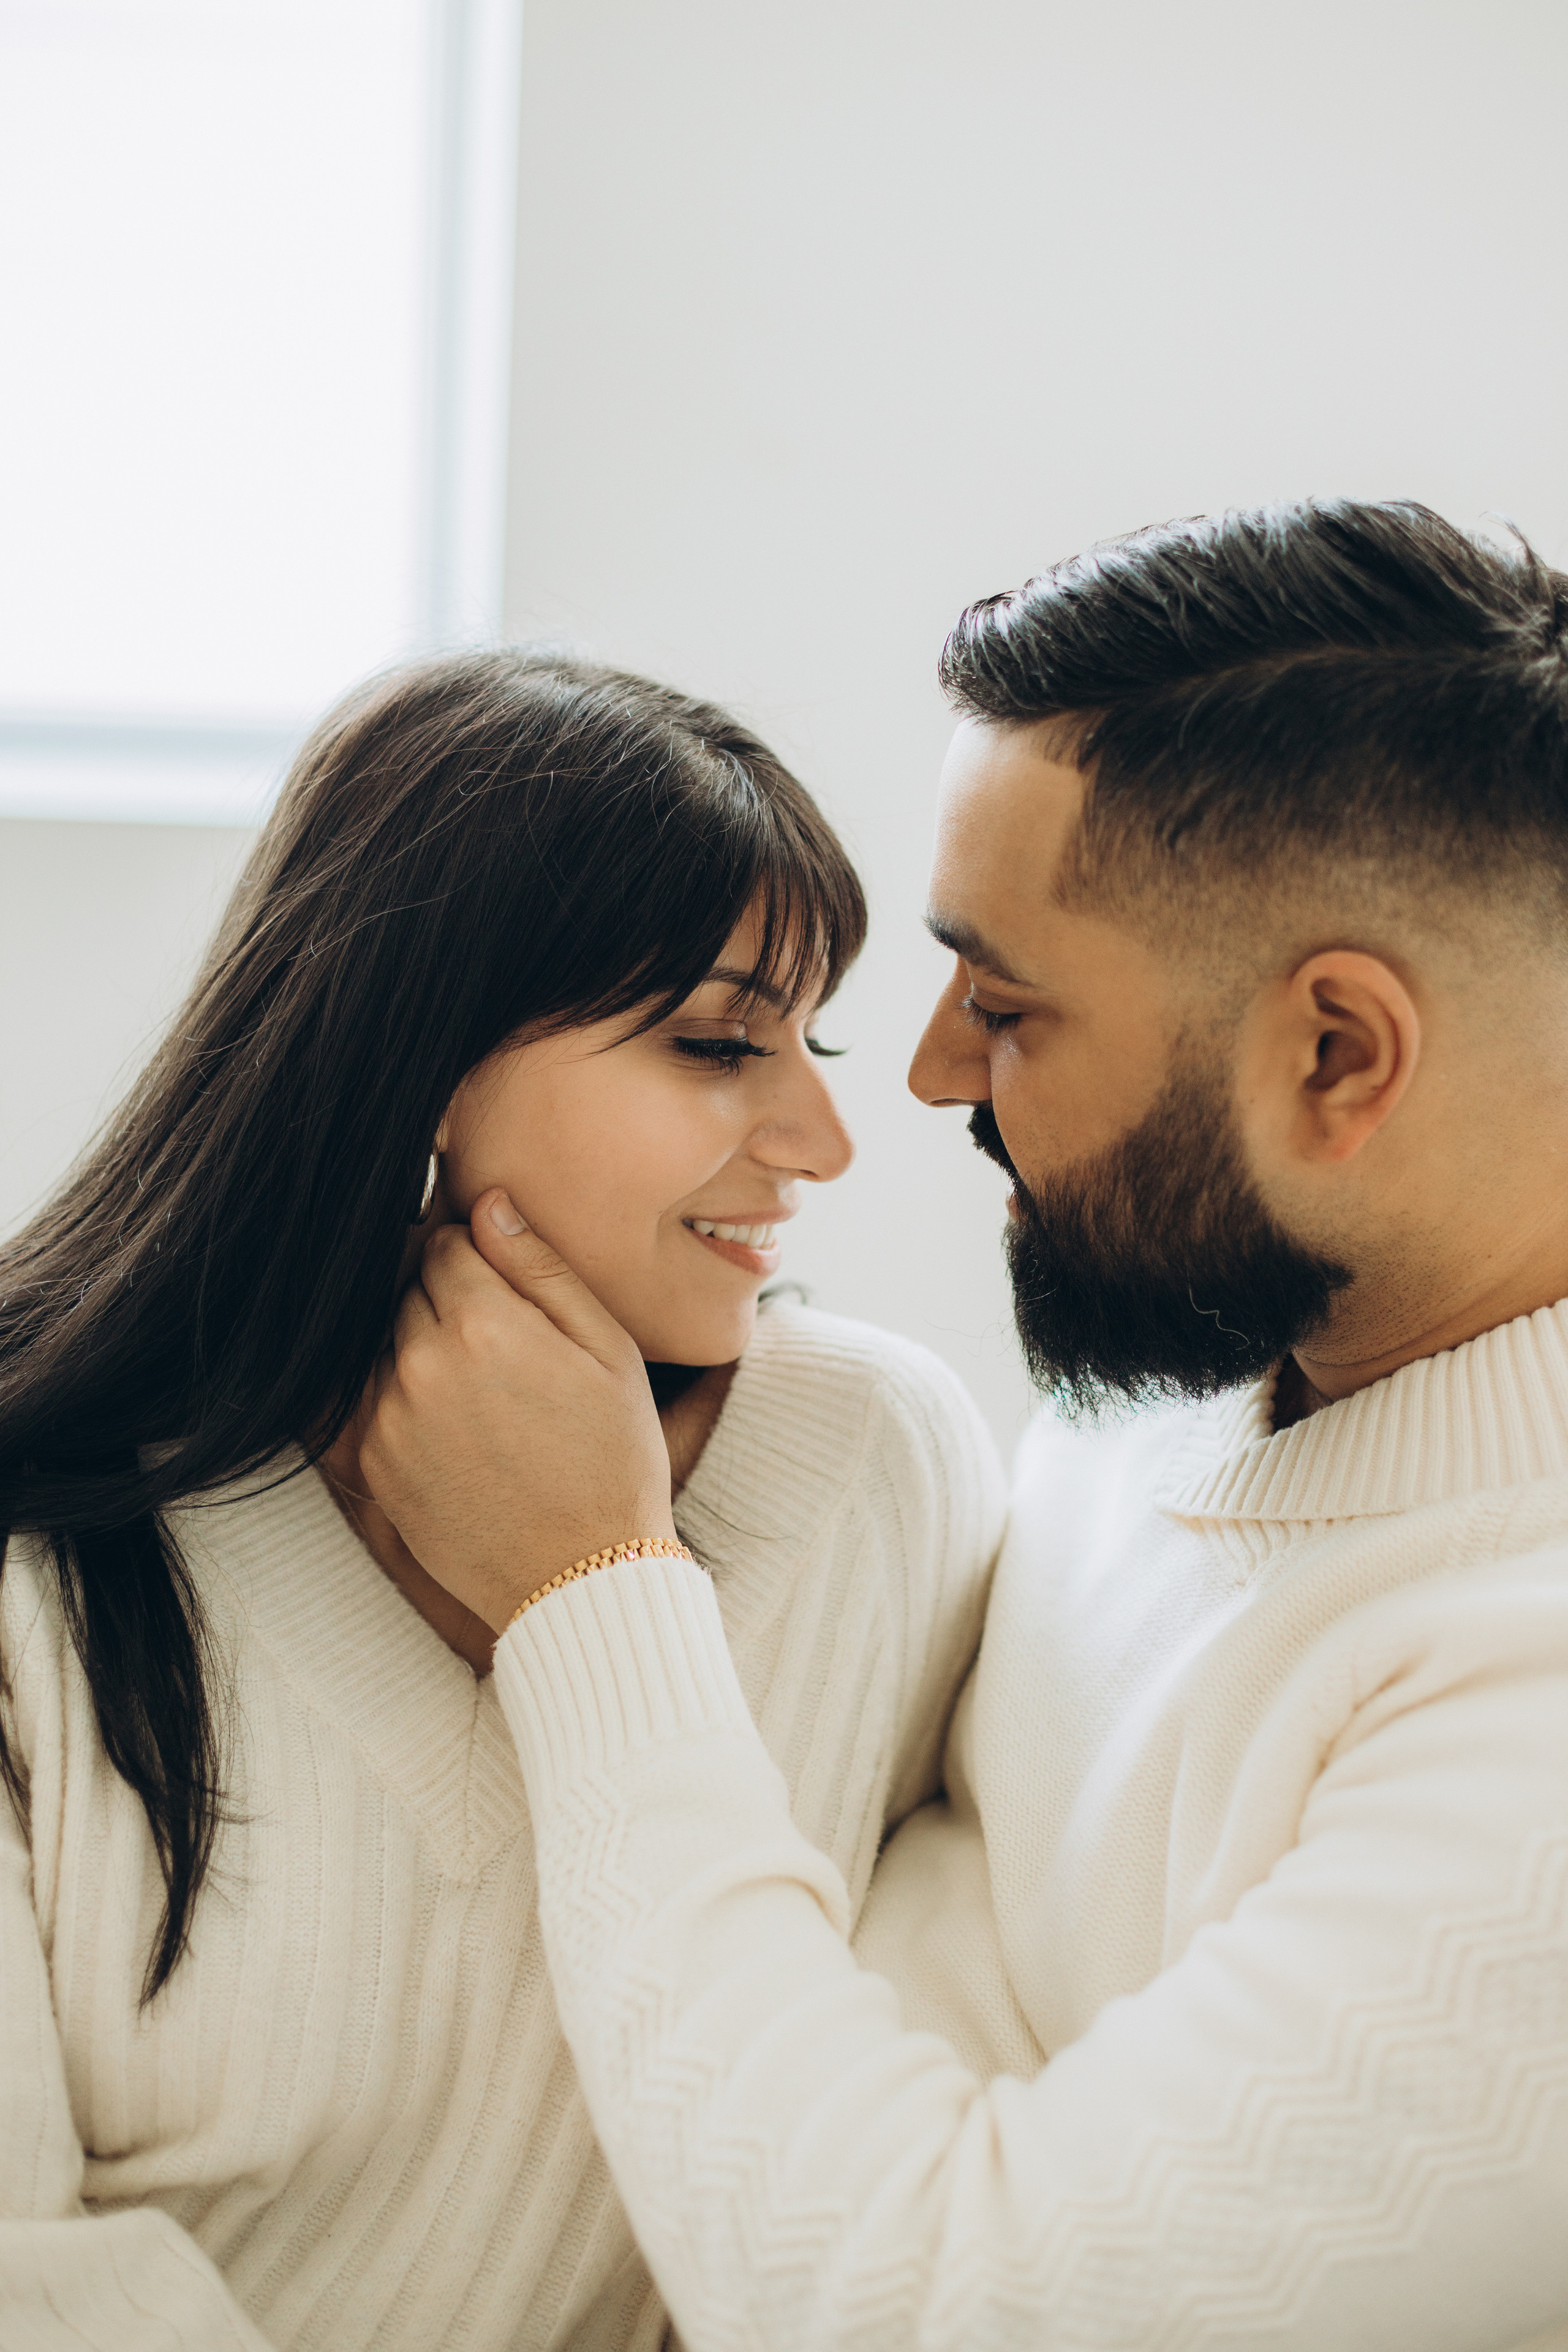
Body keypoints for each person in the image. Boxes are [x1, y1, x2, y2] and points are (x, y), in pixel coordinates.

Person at [367, 501, 1568, 2352]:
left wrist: (591, 1591)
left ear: (1337, 1057)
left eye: (1005, 1006)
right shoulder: (1189, 1369)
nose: (920, 1077)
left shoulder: (1530, 1748)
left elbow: (925, 2316)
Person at [0, 652, 1005, 2350]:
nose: (827, 1138)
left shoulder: (871, 1476)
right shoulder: (49, 1577)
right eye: (714, 1043)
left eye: (808, 1039)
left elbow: (885, 2149)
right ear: (419, 1063)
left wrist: (596, 1581)